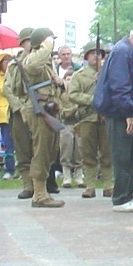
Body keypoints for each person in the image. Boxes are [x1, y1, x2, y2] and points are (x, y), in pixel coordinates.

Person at [94, 24, 133, 212]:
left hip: (122, 111)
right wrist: (129, 114)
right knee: (122, 156)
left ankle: (126, 195)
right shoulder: (123, 52)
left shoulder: (124, 50)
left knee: (128, 155)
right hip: (120, 113)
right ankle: (121, 198)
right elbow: (120, 86)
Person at [21, 28, 65, 208]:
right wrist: (45, 47)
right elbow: (30, 66)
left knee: (50, 151)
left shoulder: (47, 62)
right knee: (42, 150)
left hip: (49, 109)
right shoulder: (33, 58)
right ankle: (39, 194)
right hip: (39, 110)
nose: (52, 44)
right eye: (50, 41)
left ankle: (43, 191)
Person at [68, 43, 112, 199]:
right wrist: (93, 100)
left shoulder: (109, 73)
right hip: (88, 117)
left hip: (106, 117)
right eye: (93, 53)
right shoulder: (79, 75)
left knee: (107, 152)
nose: (96, 56)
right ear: (86, 56)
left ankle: (108, 185)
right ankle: (90, 185)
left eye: (99, 53)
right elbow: (72, 94)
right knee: (88, 152)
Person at [3, 28, 36, 199]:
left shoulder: (42, 62)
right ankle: (27, 185)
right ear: (23, 43)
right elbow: (6, 88)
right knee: (22, 149)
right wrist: (19, 106)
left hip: (38, 110)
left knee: (40, 149)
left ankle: (40, 185)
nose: (33, 44)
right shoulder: (14, 65)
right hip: (19, 112)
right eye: (30, 40)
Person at [54, 45, 83, 187]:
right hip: (65, 122)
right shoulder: (55, 69)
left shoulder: (79, 69)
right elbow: (62, 110)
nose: (66, 56)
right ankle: (66, 175)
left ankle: (79, 175)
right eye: (63, 54)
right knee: (66, 145)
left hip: (80, 122)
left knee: (79, 146)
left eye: (68, 54)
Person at [0, 53, 16, 179]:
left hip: (17, 110)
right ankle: (9, 169)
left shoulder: (16, 75)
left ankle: (22, 169)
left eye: (9, 60)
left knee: (21, 141)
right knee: (7, 142)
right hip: (3, 113)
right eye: (5, 61)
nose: (7, 63)